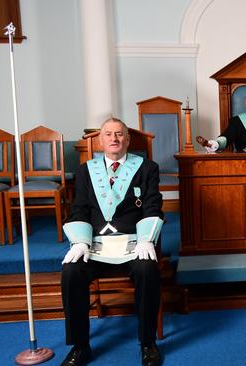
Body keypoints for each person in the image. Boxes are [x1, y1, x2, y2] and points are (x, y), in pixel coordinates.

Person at [60, 117, 164, 366]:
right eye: (109, 134)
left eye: (119, 134)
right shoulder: (86, 171)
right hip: (96, 245)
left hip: (133, 243)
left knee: (148, 269)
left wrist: (146, 239)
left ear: (127, 140)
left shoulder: (147, 168)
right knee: (71, 272)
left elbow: (152, 206)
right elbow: (79, 211)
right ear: (100, 140)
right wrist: (81, 243)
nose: (114, 139)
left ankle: (148, 343)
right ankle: (80, 345)